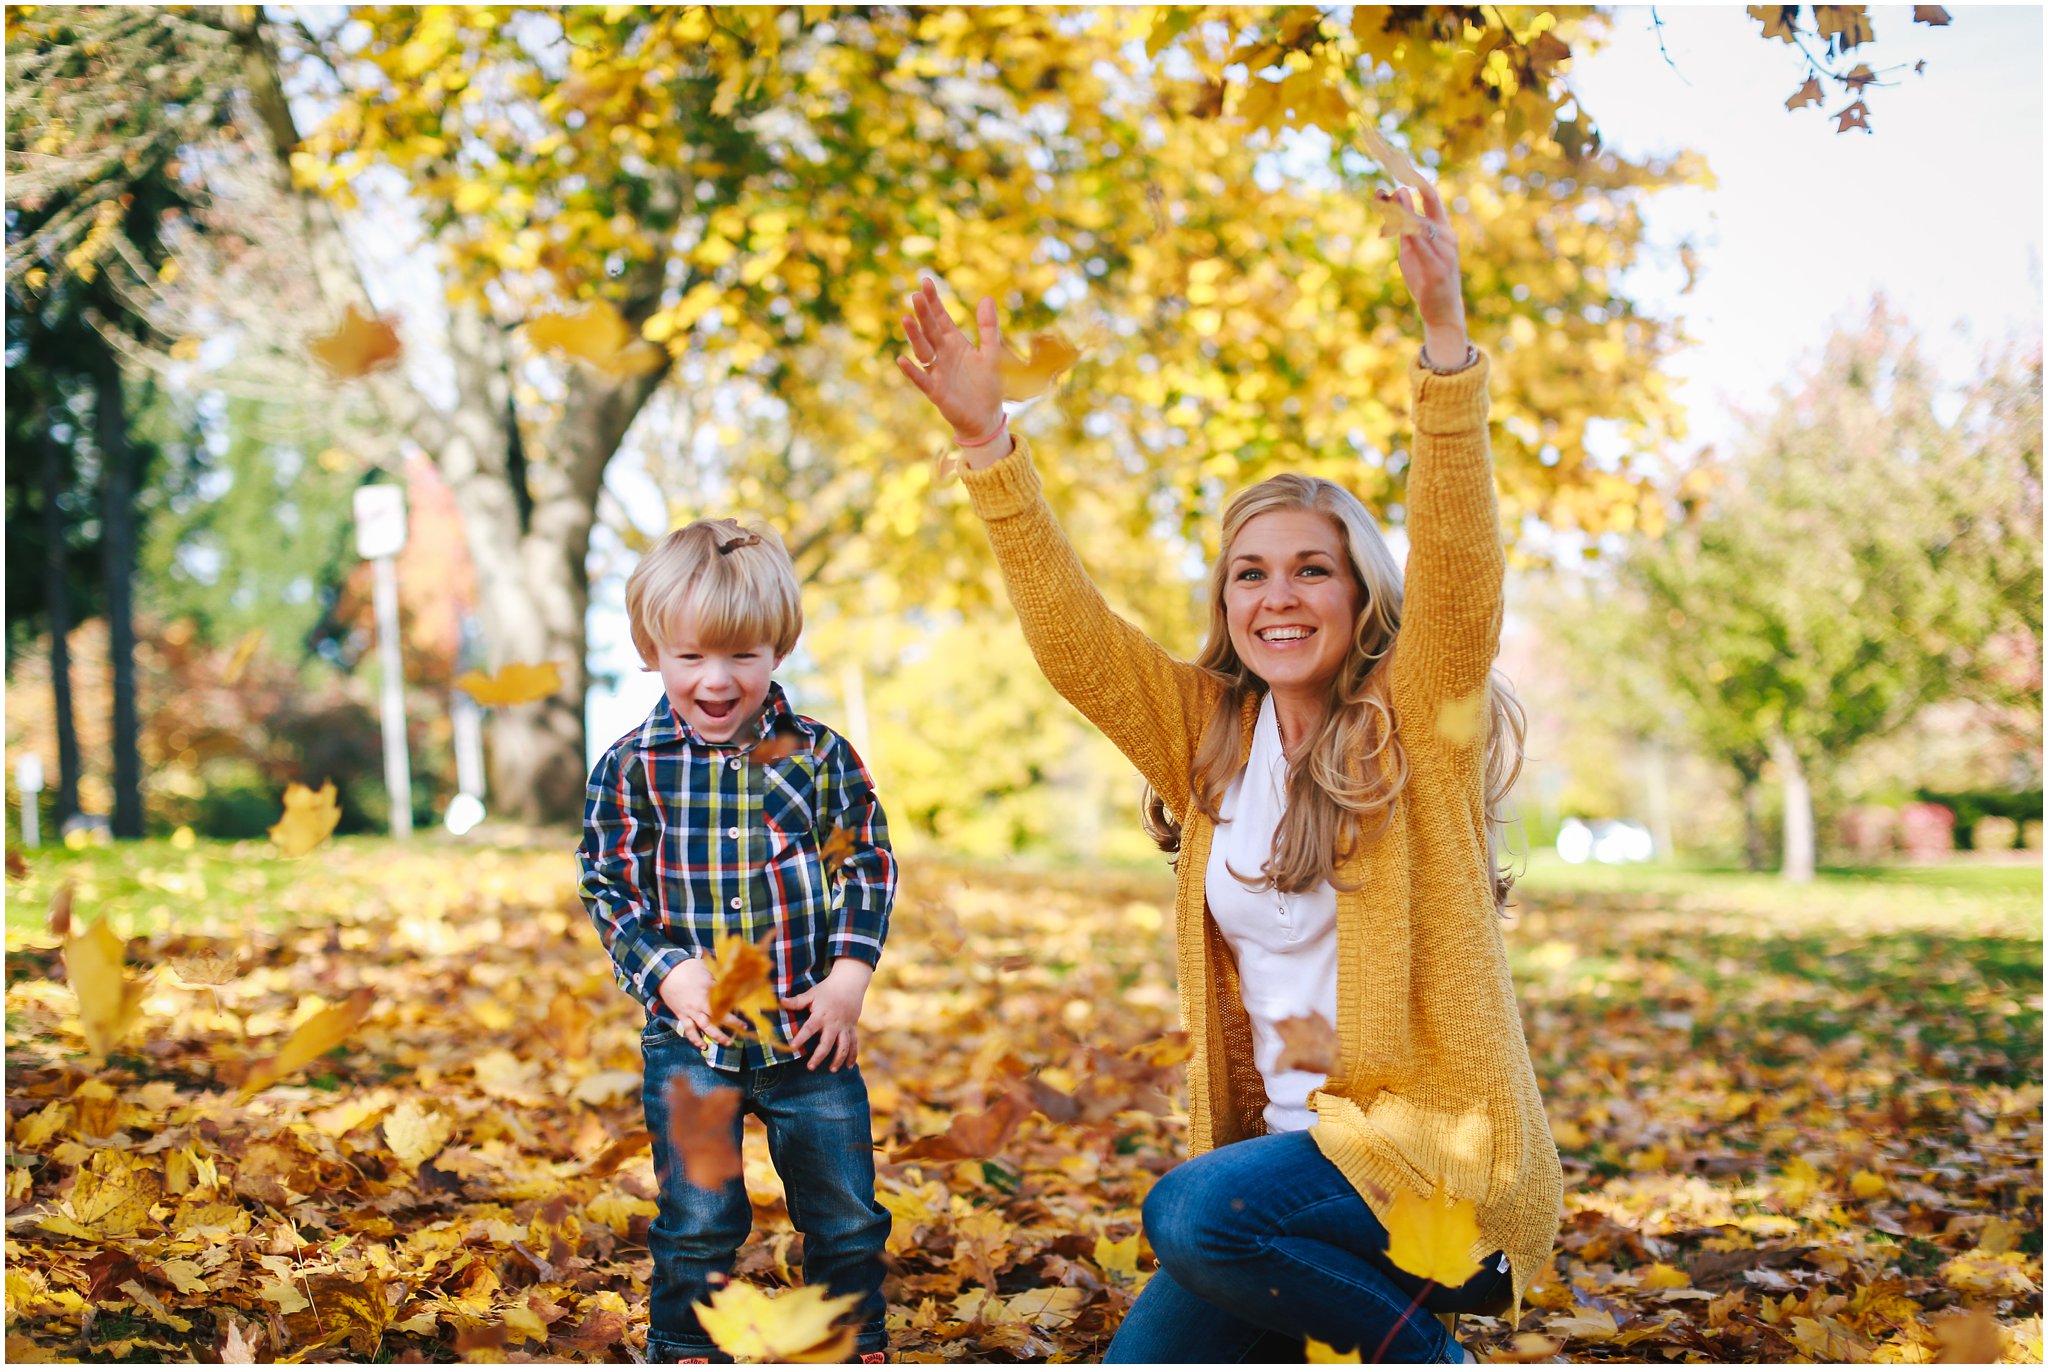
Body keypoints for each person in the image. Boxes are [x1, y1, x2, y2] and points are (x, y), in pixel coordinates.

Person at [895, 181, 1562, 1363]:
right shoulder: (1207, 735)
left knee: (1189, 1212)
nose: (1277, 596)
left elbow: (1460, 569)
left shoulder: (1414, 728)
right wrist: (984, 444)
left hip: (1421, 1151)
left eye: (1311, 569)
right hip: (1283, 1172)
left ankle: (1433, 1350)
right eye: (1249, 573)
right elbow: (1073, 642)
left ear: (1359, 596)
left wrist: (1445, 346)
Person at [578, 518, 897, 1364]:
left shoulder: (819, 758)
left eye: (742, 656)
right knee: (698, 1214)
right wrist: (666, 972)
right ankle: (686, 1343)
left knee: (845, 1209)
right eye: (690, 658)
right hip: (691, 1039)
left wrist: (849, 975)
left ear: (779, 648)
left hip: (807, 1032)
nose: (717, 681)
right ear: (651, 651)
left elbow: (866, 864)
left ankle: (853, 1338)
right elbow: (608, 884)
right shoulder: (629, 767)